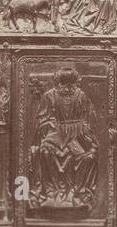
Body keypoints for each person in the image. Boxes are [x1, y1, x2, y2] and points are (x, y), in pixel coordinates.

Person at [29, 69, 99, 209]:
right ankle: (52, 193)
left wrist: (82, 130)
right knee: (45, 152)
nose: (67, 89)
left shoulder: (81, 96)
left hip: (77, 136)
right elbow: (41, 119)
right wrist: (48, 123)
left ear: (75, 84)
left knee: (87, 156)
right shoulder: (49, 96)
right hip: (55, 135)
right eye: (63, 85)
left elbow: (89, 120)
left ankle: (75, 193)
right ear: (58, 83)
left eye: (70, 85)